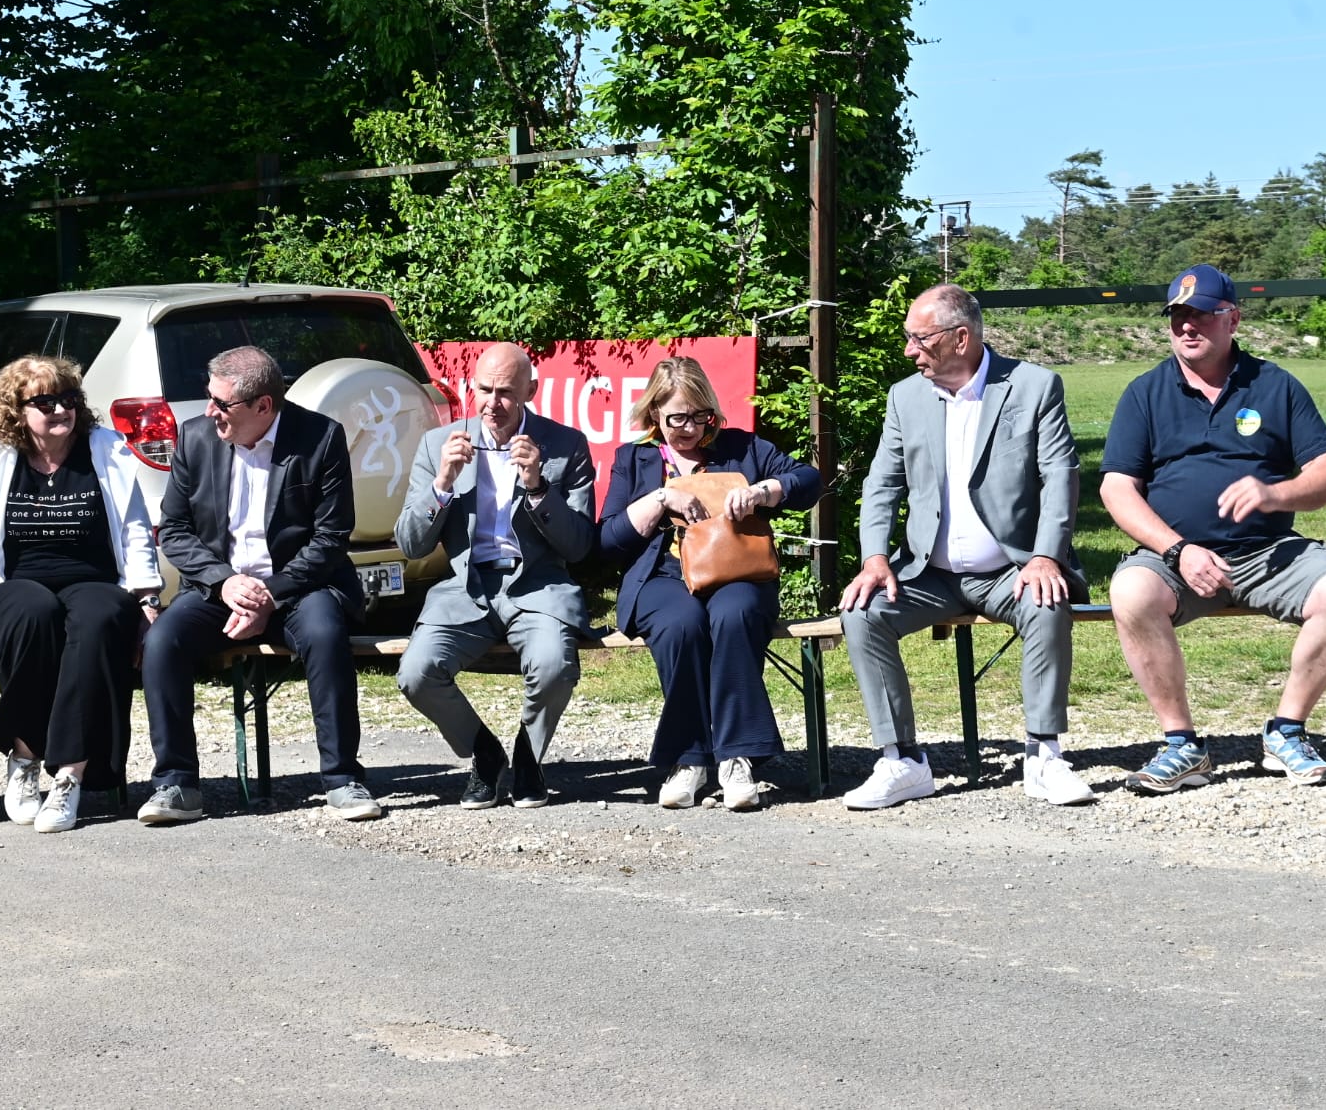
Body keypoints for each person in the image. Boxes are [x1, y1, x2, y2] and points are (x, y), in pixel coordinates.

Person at [1099, 264, 1326, 794]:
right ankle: (1182, 746)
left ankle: (1287, 731)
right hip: (1176, 560)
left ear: (1233, 319)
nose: (1186, 326)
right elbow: (1116, 488)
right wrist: (1178, 549)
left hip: (1268, 552)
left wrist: (1275, 494)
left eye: (1200, 315)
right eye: (1177, 316)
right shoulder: (1145, 393)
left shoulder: (1274, 385)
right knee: (1130, 590)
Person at [837, 284, 1093, 811]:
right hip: (928, 573)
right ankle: (903, 761)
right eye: (908, 337)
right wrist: (875, 558)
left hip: (1010, 568)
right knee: (862, 613)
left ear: (960, 338)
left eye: (920, 338)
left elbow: (1060, 476)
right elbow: (881, 483)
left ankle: (1043, 755)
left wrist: (1046, 556)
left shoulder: (1034, 386)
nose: (909, 350)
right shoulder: (905, 397)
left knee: (1047, 602)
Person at [137, 346, 372, 825]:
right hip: (220, 589)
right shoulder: (196, 437)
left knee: (325, 634)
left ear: (264, 406)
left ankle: (342, 778)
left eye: (221, 403)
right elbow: (175, 531)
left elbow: (331, 538)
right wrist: (225, 583)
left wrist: (270, 594)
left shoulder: (320, 437)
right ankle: (176, 784)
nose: (210, 411)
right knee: (162, 641)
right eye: (209, 398)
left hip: (298, 587)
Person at [0, 355, 161, 833]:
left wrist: (148, 599)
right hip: (14, 584)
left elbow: (134, 526)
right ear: (17, 410)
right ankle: (25, 758)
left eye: (68, 399)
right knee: (34, 612)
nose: (61, 409)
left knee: (99, 618)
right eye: (45, 403)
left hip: (95, 579)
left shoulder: (105, 449)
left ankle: (69, 775)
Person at [599, 357, 820, 810]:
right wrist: (661, 498)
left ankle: (736, 755)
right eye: (677, 417)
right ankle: (690, 757)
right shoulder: (635, 458)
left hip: (735, 569)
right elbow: (607, 541)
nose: (690, 428)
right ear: (654, 411)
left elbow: (809, 480)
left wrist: (763, 492)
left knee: (735, 614)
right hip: (661, 575)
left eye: (700, 416)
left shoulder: (742, 448)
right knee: (681, 624)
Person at [394, 342, 596, 810]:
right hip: (465, 588)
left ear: (531, 391)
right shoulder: (438, 445)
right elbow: (410, 544)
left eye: (506, 392)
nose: (493, 403)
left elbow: (580, 546)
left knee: (554, 666)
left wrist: (538, 487)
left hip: (538, 586)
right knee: (417, 673)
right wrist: (442, 484)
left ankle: (528, 756)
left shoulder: (564, 445)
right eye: (484, 390)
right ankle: (484, 752)